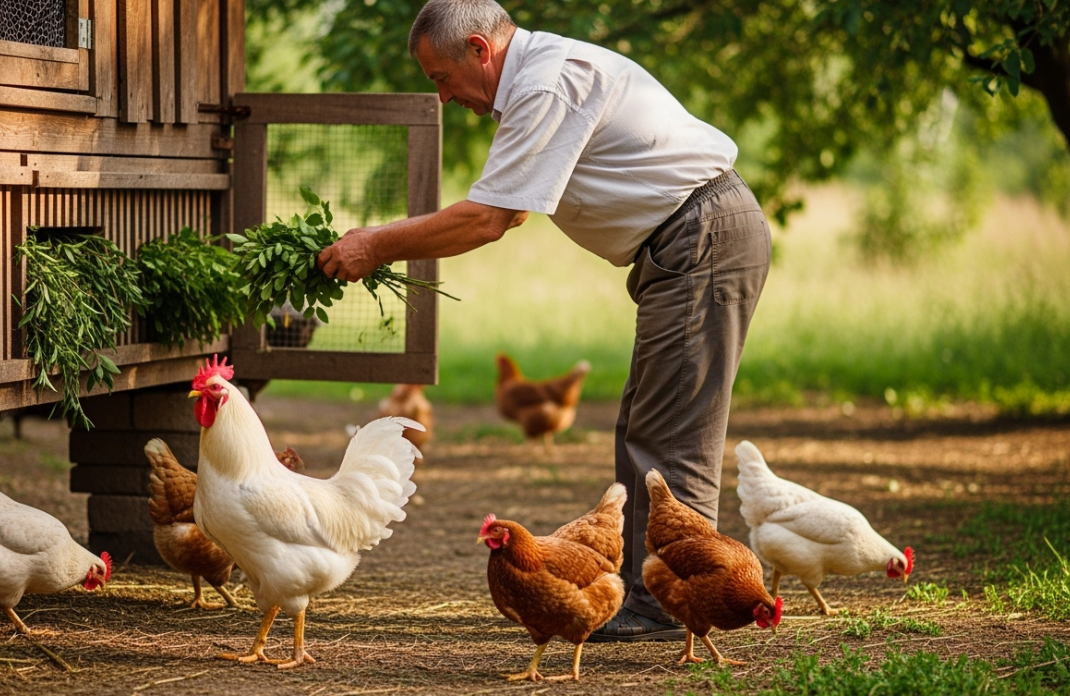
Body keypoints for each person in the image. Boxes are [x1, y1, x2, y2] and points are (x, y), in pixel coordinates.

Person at [317, 0, 771, 641]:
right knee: (647, 426)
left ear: (479, 49)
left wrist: (375, 244)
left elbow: (489, 219)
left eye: (441, 78)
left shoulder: (545, 80)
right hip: (690, 241)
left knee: (672, 433)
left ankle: (670, 608)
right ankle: (653, 595)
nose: (444, 98)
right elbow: (517, 208)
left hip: (702, 237)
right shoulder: (537, 78)